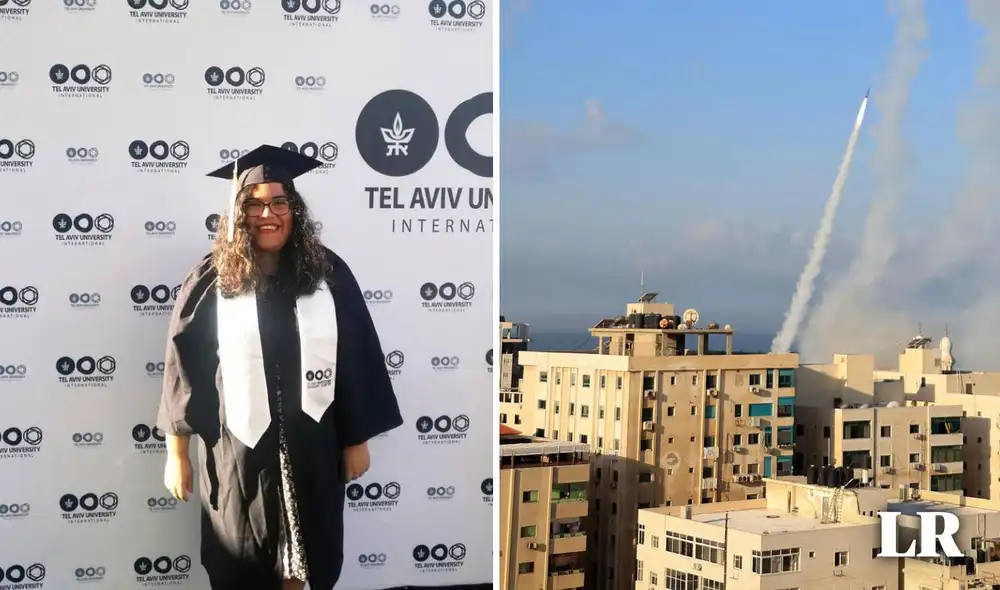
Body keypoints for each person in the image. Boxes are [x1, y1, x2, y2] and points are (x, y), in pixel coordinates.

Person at [156, 144, 403, 590]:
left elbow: (355, 358)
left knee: (300, 564)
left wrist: (356, 440)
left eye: (278, 202)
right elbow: (183, 370)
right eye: (252, 204)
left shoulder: (328, 276)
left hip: (312, 447)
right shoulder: (212, 280)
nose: (267, 213)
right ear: (237, 214)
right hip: (238, 452)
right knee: (242, 560)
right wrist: (176, 455)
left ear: (295, 209)